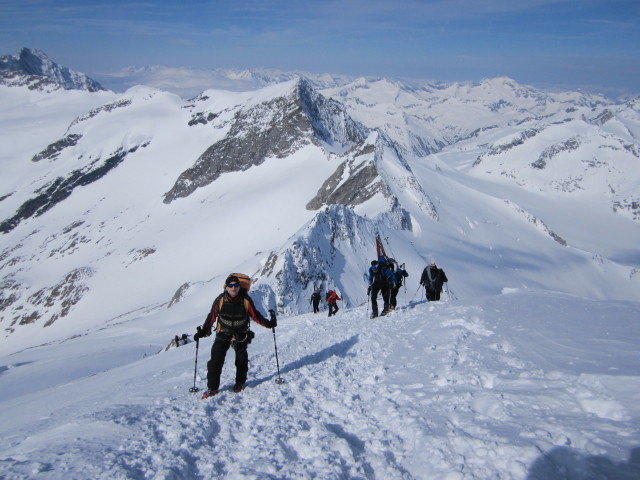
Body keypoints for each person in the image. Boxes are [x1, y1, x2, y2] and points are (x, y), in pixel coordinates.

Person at [194, 275, 276, 399]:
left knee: (241, 359)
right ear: (226, 287)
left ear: (239, 287)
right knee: (215, 360)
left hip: (241, 334)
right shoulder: (220, 300)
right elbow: (212, 316)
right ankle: (212, 388)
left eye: (236, 285)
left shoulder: (246, 300)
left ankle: (240, 383)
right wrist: (204, 331)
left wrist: (269, 324)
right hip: (223, 333)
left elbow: (255, 316)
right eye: (230, 285)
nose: (233, 288)